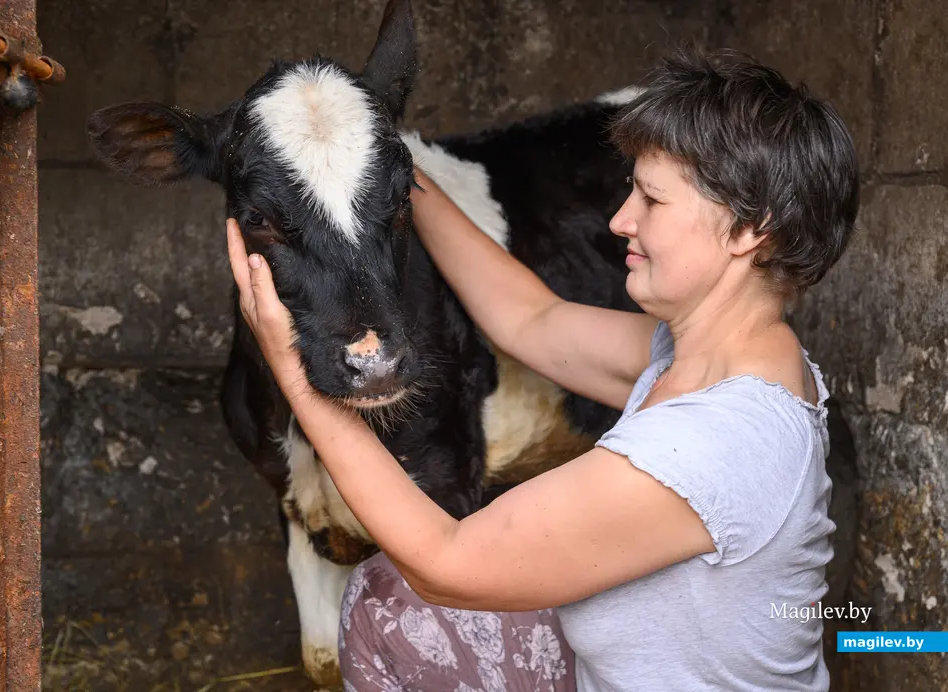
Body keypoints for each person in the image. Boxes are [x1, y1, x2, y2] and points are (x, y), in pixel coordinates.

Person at [225, 48, 860, 691]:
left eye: (651, 199)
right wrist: (375, 163)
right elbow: (530, 319)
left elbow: (447, 563)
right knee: (385, 595)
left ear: (750, 229)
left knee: (388, 601)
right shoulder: (723, 357)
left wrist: (295, 373)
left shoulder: (718, 444)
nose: (621, 219)